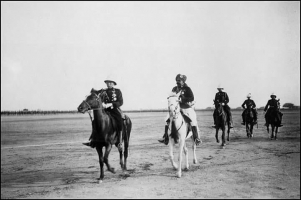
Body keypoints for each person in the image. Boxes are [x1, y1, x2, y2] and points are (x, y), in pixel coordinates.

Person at [158, 74, 201, 146]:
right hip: (176, 109)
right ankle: (165, 137)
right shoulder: (174, 89)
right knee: (166, 120)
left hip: (186, 108)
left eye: (179, 80)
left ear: (183, 81)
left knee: (193, 121)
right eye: (177, 80)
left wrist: (182, 99)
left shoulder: (187, 89)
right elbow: (171, 96)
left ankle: (196, 138)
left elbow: (191, 98)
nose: (177, 82)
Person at [83, 76, 124, 150]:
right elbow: (98, 100)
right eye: (107, 83)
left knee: (119, 120)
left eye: (110, 83)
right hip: (104, 109)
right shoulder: (103, 91)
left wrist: (112, 104)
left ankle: (120, 142)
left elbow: (121, 102)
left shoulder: (118, 91)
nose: (109, 84)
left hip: (114, 109)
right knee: (95, 121)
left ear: (113, 83)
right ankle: (93, 139)